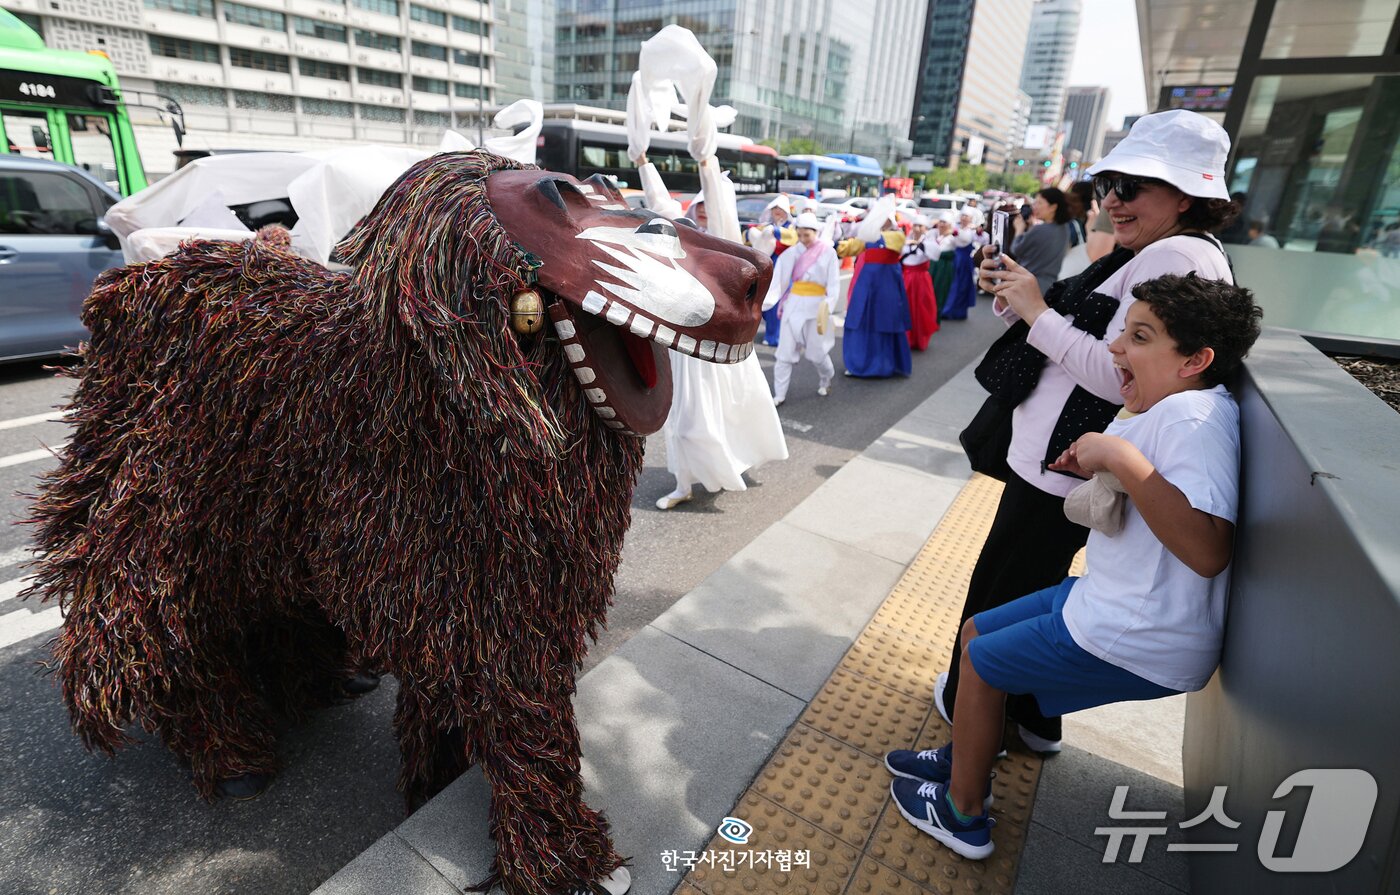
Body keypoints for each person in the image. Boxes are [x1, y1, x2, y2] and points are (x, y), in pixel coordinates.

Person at [886, 273, 1264, 859]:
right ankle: (967, 753)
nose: (1116, 347)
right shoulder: (1174, 407)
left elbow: (1208, 549)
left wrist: (1115, 454)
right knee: (977, 631)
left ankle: (963, 813)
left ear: (1196, 359)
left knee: (984, 666)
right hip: (1110, 597)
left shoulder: (1194, 419)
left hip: (1136, 630)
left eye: (1139, 337)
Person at [937, 108, 1241, 754]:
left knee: (1005, 587)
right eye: (1108, 185)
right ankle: (1025, 715)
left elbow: (1120, 370)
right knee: (1017, 583)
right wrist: (1023, 299)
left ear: (1185, 194)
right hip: (1057, 461)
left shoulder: (1181, 256)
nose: (1111, 201)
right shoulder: (1158, 250)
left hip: (1063, 466)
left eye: (1131, 187)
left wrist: (1037, 311)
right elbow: (1092, 332)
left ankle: (982, 716)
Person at [624, 44, 788, 513]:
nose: (695, 213)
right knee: (687, 418)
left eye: (702, 207)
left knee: (728, 411)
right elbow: (658, 204)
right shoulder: (682, 231)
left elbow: (716, 198)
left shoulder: (724, 236)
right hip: (687, 339)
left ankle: (717, 465)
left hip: (719, 340)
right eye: (692, 208)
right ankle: (685, 481)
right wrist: (640, 160)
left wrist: (706, 158)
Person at [763, 212, 839, 405]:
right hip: (794, 304)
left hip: (817, 306)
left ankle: (826, 378)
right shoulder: (790, 253)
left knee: (817, 353)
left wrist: (828, 305)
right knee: (784, 353)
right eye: (801, 234)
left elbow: (834, 284)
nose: (804, 239)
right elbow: (778, 281)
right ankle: (779, 394)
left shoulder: (828, 252)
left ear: (816, 232)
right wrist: (765, 302)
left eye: (808, 235)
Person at [839, 197, 913, 378]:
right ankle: (858, 362)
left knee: (885, 321)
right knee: (860, 319)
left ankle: (884, 364)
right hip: (865, 284)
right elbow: (845, 249)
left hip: (886, 285)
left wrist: (867, 233)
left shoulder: (896, 235)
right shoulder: (867, 235)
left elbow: (890, 242)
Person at [749, 196, 798, 346]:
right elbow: (752, 236)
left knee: (781, 301)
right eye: (774, 208)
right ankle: (771, 333)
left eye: (780, 209)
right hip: (768, 266)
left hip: (785, 266)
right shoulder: (766, 225)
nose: (777, 211)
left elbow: (793, 238)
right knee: (765, 299)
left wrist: (775, 231)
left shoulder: (792, 226)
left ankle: (779, 336)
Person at [1009, 188, 1072, 295]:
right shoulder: (1065, 228)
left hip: (1029, 286)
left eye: (1039, 203)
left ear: (1053, 207)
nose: (1034, 207)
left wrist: (1019, 229)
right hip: (1049, 286)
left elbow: (1016, 249)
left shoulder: (1039, 229)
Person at [901, 214, 941, 350]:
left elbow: (936, 254)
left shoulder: (929, 243)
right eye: (915, 225)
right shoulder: (905, 241)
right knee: (905, 307)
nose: (917, 229)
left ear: (926, 228)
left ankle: (920, 338)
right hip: (905, 278)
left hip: (921, 281)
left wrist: (920, 244)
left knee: (922, 309)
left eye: (920, 226)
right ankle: (906, 337)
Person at [940, 208, 978, 320]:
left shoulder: (972, 230)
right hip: (955, 259)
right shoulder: (956, 228)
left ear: (971, 218)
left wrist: (953, 231)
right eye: (963, 215)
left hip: (965, 261)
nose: (964, 218)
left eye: (967, 216)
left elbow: (965, 239)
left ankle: (958, 312)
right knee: (952, 285)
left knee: (962, 286)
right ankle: (947, 310)